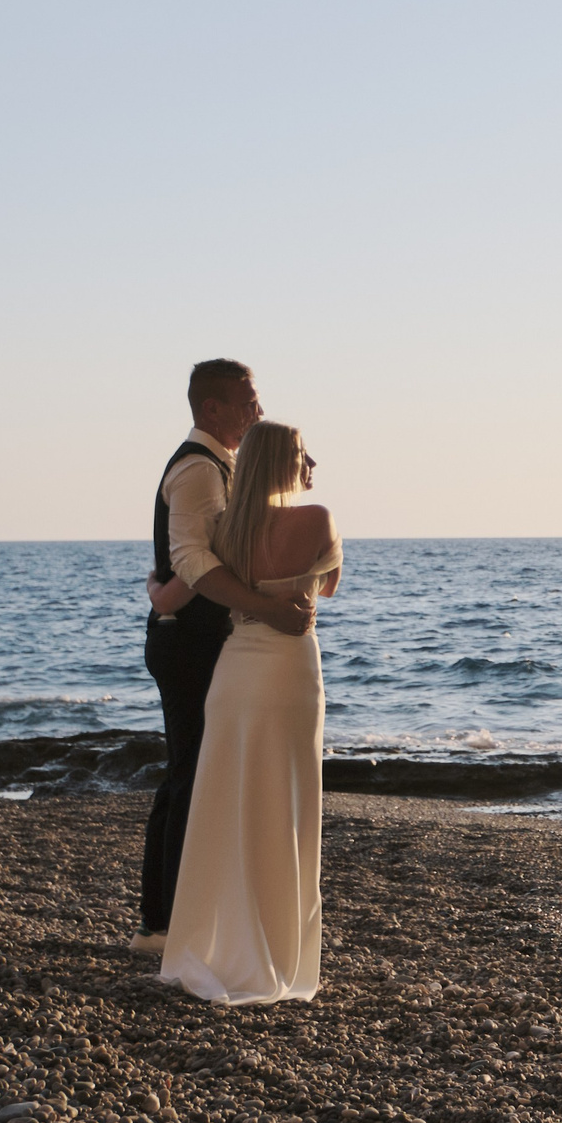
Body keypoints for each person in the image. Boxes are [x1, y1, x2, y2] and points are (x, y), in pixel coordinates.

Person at [134, 359, 312, 956]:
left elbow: (208, 559)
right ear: (212, 408)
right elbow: (193, 561)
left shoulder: (226, 469)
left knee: (194, 773)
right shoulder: (197, 471)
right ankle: (162, 926)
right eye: (247, 402)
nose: (257, 411)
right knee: (190, 775)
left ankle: (173, 918)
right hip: (189, 641)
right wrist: (261, 608)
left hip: (203, 635)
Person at [161, 420, 340, 1004]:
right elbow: (330, 586)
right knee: (285, 802)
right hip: (289, 672)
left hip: (235, 673)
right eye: (301, 453)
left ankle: (215, 942)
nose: (310, 461)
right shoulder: (316, 518)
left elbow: (179, 586)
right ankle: (277, 952)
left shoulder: (224, 530)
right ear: (285, 463)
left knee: (229, 803)